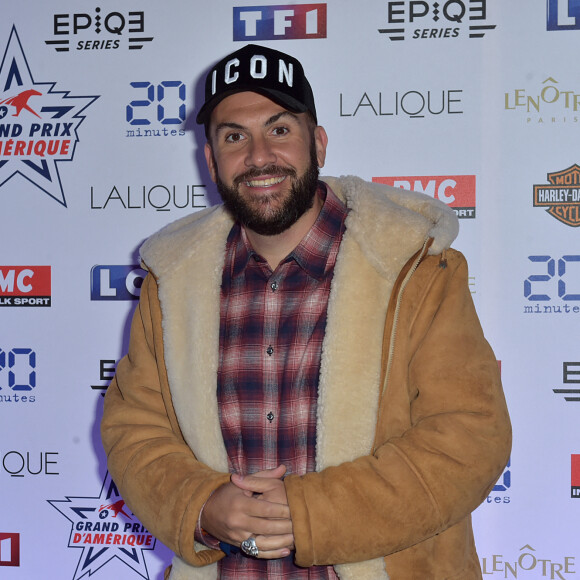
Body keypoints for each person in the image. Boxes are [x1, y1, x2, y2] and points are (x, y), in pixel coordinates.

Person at [101, 43, 511, 580]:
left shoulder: (414, 266)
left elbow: (470, 434)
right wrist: (201, 505)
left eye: (279, 129)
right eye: (233, 137)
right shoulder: (171, 281)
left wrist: (312, 515)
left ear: (316, 142)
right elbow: (135, 429)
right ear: (210, 159)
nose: (257, 156)